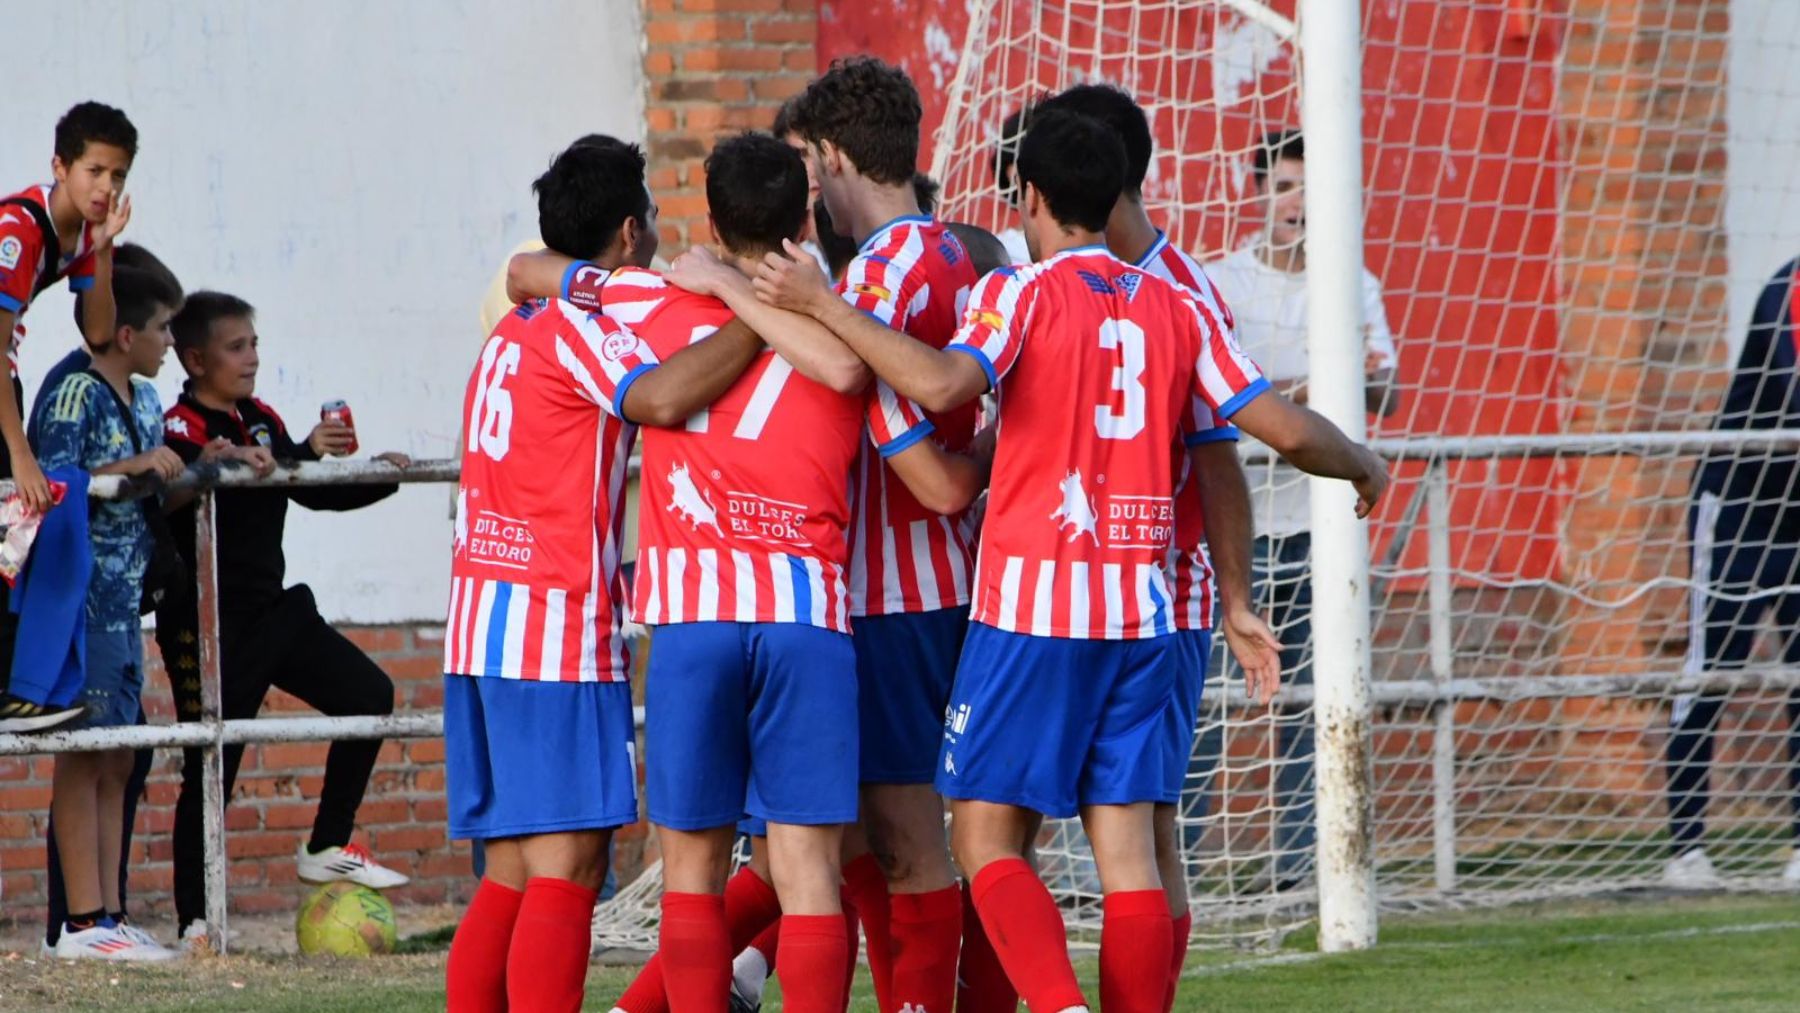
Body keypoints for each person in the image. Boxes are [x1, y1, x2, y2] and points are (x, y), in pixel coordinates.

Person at [754, 106, 1386, 1013]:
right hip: (1145, 610)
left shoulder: (1018, 293)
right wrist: (1361, 461)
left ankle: (1055, 1004)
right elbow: (1277, 429)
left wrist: (823, 304)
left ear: (1033, 199)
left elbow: (937, 384)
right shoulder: (1179, 304)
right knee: (1129, 850)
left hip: (1034, 614)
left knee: (981, 838)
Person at [441, 136, 765, 1013]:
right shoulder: (581, 327)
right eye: (653, 218)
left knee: (513, 863)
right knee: (570, 864)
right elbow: (659, 398)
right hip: (549, 627)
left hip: (481, 620)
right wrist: (760, 318)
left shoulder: (512, 327)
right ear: (630, 231)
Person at [1034, 82, 1281, 1009]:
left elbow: (1221, 460)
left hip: (1144, 597)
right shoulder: (1131, 284)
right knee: (1121, 830)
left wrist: (1234, 595)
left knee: (1137, 827)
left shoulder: (1178, 291)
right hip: (1095, 592)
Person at [755, 57, 988, 1013]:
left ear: (839, 156)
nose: (810, 185)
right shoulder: (945, 254)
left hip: (898, 597)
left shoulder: (881, 278)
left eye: (811, 161)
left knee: (901, 838)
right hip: (906, 591)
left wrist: (801, 304)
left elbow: (919, 459)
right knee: (845, 835)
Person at [154, 290, 416, 948]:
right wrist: (213, 465)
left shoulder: (260, 419)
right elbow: (165, 495)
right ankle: (197, 922)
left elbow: (301, 484)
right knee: (213, 761)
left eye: (255, 345)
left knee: (370, 695)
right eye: (236, 347)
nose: (251, 358)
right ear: (195, 357)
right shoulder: (177, 427)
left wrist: (368, 469)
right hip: (206, 626)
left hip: (272, 614)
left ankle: (327, 841)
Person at [1202, 128, 1401, 894]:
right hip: (1239, 530)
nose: (1294, 204)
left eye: (1306, 190)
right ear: (1258, 193)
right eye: (1281, 187)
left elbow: (1385, 390)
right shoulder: (1224, 281)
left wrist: (1355, 380)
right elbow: (1232, 400)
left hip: (1324, 531)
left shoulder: (1355, 283)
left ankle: (1302, 871)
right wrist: (1310, 393)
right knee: (1205, 709)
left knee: (1315, 712)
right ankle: (1176, 854)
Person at [29, 264, 186, 960]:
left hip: (127, 606)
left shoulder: (148, 398)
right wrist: (130, 467)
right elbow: (48, 483)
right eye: (162, 329)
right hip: (78, 600)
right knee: (83, 753)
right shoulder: (71, 393)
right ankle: (83, 922)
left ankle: (111, 915)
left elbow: (155, 479)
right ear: (125, 332)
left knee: (119, 754)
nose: (170, 342)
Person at [1664, 255, 1800, 889]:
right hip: (1741, 502)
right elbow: (1789, 380)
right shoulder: (1789, 284)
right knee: (1712, 664)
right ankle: (1686, 849)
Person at [0, 101, 136, 731]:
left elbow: (101, 333)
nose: (106, 187)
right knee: (16, 510)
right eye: (94, 171)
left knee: (17, 531)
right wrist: (21, 455)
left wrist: (103, 253)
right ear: (59, 165)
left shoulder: (83, 234)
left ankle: (18, 690)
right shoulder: (20, 228)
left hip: (6, 378)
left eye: (118, 175)